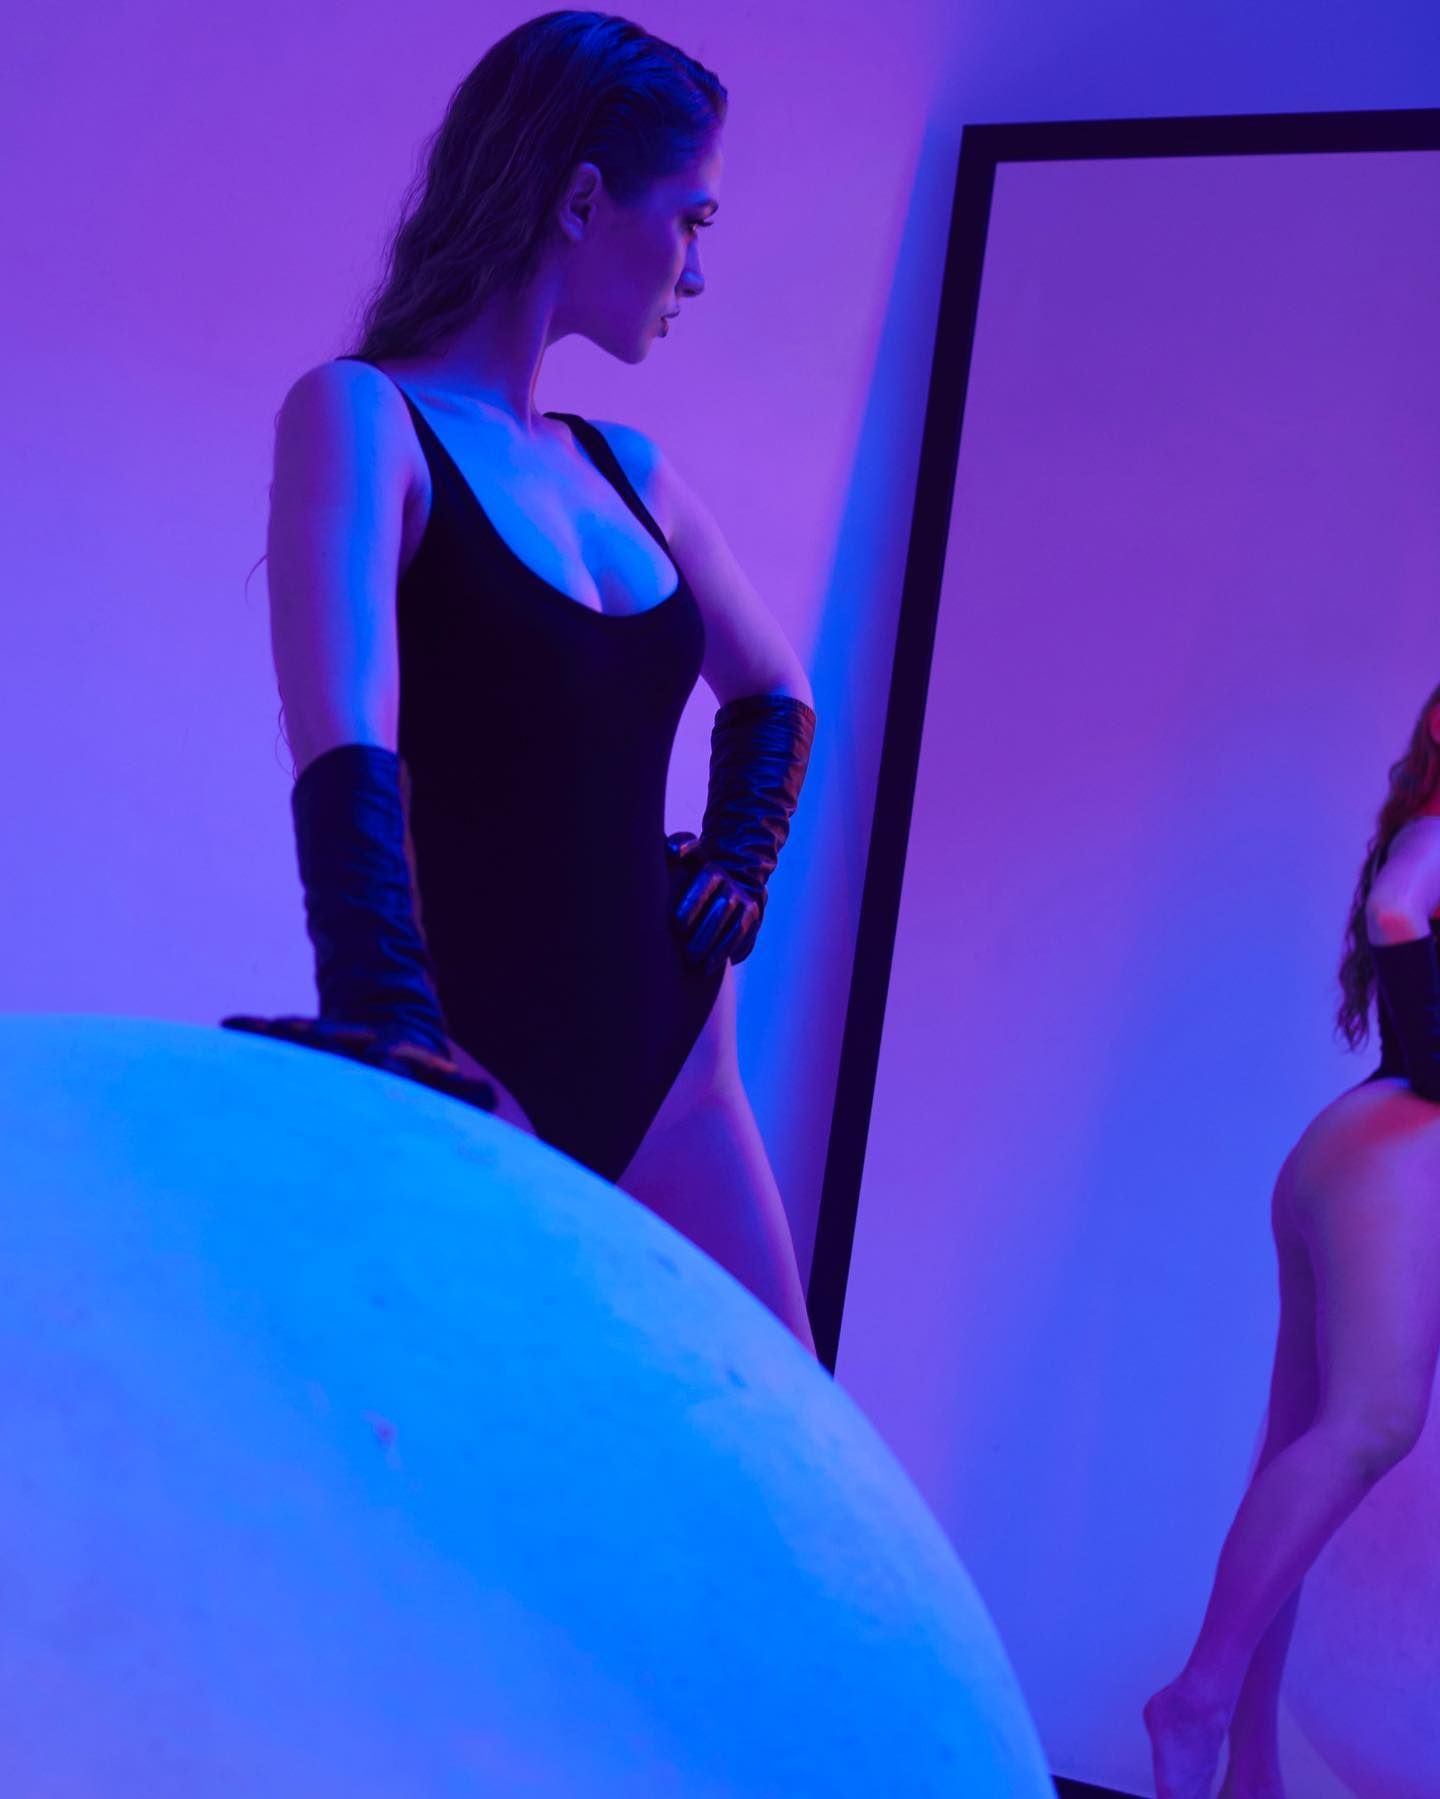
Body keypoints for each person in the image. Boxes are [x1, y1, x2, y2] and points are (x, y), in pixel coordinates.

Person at [224, 11, 818, 1353]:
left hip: (681, 1076)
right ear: (585, 199)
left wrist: (740, 849)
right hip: (473, 1051)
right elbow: (344, 735)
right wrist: (384, 1012)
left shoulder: (631, 471)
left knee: (792, 1453)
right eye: (693, 220)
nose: (698, 270)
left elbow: (775, 689)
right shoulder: (362, 415)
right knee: (460, 1445)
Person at [1143, 681, 1440, 1798]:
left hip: (1363, 1148)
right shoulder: (1436, 832)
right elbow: (1398, 909)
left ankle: (1249, 1759)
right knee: (1374, 1424)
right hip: (1399, 1151)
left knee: (1299, 1449)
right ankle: (1198, 1698)